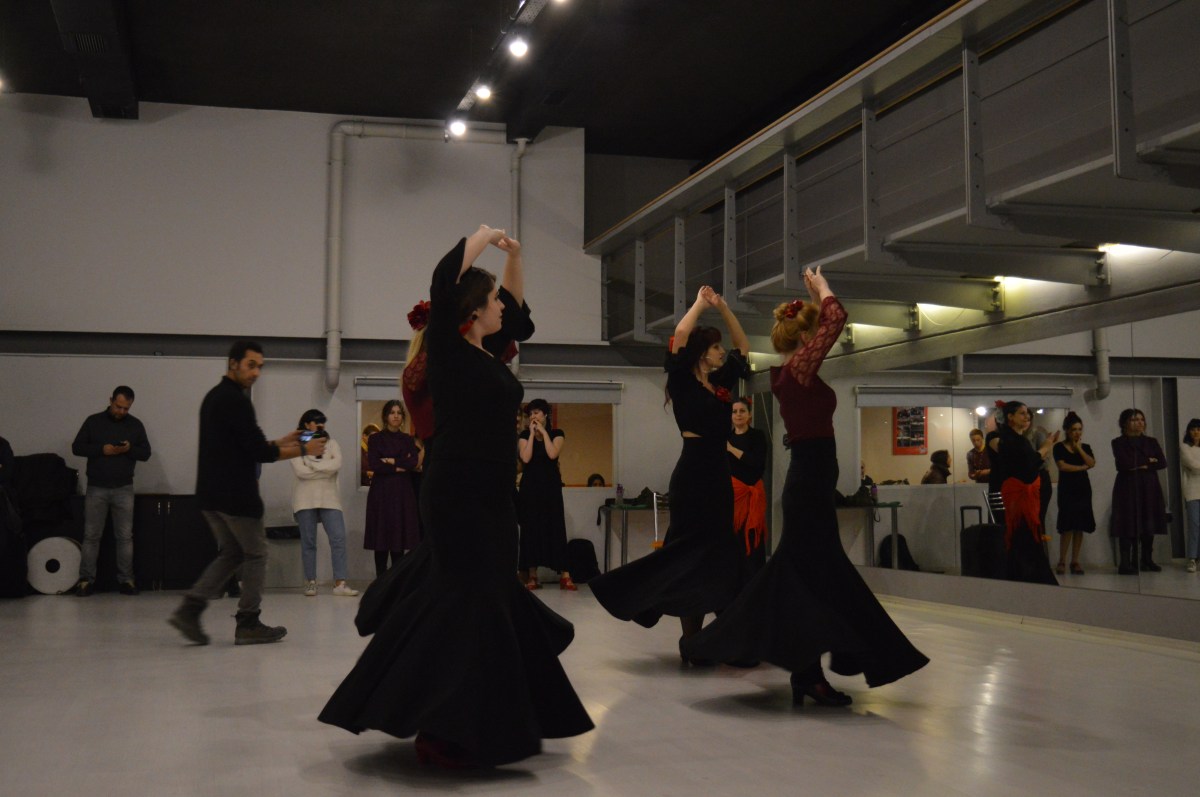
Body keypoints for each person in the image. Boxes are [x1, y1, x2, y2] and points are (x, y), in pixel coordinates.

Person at [319, 226, 592, 768]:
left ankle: (478, 718)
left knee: (487, 600)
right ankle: (441, 726)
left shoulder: (490, 352)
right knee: (465, 603)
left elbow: (520, 316)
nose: (501, 306)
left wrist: (515, 258)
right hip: (456, 493)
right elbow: (444, 279)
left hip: (494, 493)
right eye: (492, 299)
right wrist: (481, 237)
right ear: (471, 312)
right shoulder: (445, 349)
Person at [682, 267, 928, 705]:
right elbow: (837, 319)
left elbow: (826, 326)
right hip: (809, 485)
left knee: (808, 581)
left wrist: (814, 297)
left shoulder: (792, 372)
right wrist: (823, 289)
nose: (821, 341)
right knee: (813, 579)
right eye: (814, 335)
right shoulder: (798, 370)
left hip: (810, 484)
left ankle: (808, 673)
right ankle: (807, 672)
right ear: (806, 338)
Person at [589, 284, 751, 661]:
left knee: (720, 552)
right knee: (688, 554)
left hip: (718, 476)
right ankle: (691, 639)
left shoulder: (720, 384)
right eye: (715, 347)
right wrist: (699, 304)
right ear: (701, 353)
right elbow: (679, 335)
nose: (721, 351)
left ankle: (719, 635)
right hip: (693, 475)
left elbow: (743, 347)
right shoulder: (681, 380)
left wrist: (725, 309)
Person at [168, 340, 323, 646]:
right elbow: (259, 453)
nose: (256, 373)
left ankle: (190, 608)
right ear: (233, 363)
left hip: (210, 495)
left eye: (260, 367)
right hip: (235, 496)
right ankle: (248, 622)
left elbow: (243, 445)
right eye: (251, 365)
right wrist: (304, 448)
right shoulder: (236, 401)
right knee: (256, 554)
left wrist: (283, 441)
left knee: (233, 553)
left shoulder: (214, 397)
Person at [70, 386, 152, 596]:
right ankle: (85, 580)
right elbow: (77, 447)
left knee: (125, 537)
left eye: (126, 408)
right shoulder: (93, 421)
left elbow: (146, 453)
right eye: (118, 406)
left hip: (124, 488)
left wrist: (129, 449)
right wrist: (102, 449)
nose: (121, 411)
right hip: (96, 487)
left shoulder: (135, 425)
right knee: (91, 536)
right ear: (111, 400)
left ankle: (127, 580)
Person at [291, 409, 358, 597]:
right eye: (316, 421)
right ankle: (310, 582)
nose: (320, 425)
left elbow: (336, 465)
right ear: (306, 424)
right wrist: (324, 470)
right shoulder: (297, 445)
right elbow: (300, 472)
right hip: (305, 498)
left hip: (330, 497)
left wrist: (312, 466)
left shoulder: (331, 443)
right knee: (309, 542)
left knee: (338, 538)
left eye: (322, 421)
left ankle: (340, 583)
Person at [992, 400, 1059, 585]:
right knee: (1025, 537)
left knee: (1023, 539)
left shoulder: (1017, 439)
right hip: (1020, 498)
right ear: (1010, 417)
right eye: (1022, 413)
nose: (1027, 416)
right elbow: (1030, 464)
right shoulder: (1010, 440)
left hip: (1024, 496)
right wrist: (1047, 445)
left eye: (1027, 413)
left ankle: (1022, 579)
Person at [517, 398, 575, 590]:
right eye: (530, 414)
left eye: (536, 413)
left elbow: (552, 454)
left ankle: (565, 574)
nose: (532, 416)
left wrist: (543, 432)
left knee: (555, 525)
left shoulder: (557, 434)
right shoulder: (524, 435)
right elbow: (526, 458)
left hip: (550, 487)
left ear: (545, 415)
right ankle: (532, 575)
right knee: (531, 527)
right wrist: (532, 435)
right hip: (530, 487)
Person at [364, 400, 422, 577]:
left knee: (399, 540)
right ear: (385, 416)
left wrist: (391, 461)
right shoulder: (375, 439)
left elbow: (413, 462)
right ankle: (380, 580)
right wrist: (399, 466)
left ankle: (396, 583)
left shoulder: (407, 440)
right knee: (381, 539)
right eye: (392, 412)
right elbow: (375, 464)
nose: (396, 416)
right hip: (381, 493)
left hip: (402, 493)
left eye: (399, 413)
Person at [1110, 408, 1168, 574]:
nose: (1140, 422)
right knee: (1127, 522)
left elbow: (1162, 462)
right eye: (1135, 420)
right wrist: (1148, 460)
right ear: (1125, 423)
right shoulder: (1118, 442)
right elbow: (1124, 463)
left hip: (1149, 486)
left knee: (1148, 520)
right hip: (1127, 487)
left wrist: (1141, 464)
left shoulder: (1151, 441)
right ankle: (1125, 563)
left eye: (1142, 419)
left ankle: (1146, 559)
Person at [728, 396, 768, 580]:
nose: (738, 415)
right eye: (734, 411)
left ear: (749, 415)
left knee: (753, 536)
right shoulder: (726, 437)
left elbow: (757, 463)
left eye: (742, 411)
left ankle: (755, 581)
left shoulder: (757, 436)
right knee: (733, 537)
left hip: (753, 494)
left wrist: (731, 449)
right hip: (733, 496)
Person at [1052, 412, 1095, 575]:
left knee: (1080, 526)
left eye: (1079, 429)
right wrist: (1081, 467)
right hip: (1067, 489)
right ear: (1067, 431)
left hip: (1083, 489)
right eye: (1074, 430)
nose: (1077, 433)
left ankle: (1075, 561)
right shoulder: (1059, 447)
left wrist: (1079, 449)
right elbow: (1062, 466)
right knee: (1067, 526)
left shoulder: (1085, 447)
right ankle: (1062, 560)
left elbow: (1091, 463)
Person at [1181, 418, 1200, 573]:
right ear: (1188, 431)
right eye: (1193, 429)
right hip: (1192, 491)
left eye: (1199, 429)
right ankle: (1192, 558)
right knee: (1194, 525)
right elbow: (1193, 465)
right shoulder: (1185, 447)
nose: (1196, 432)